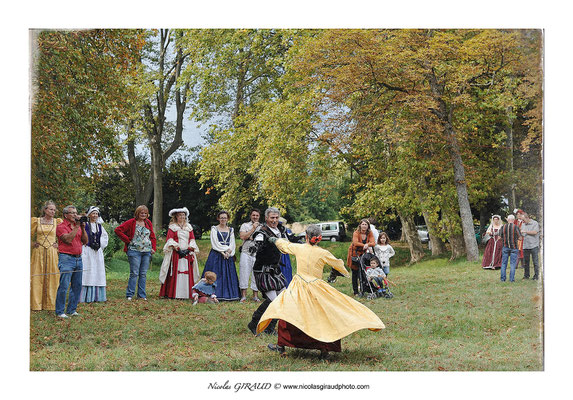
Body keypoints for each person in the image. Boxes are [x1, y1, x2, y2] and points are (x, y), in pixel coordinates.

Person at [259, 224, 385, 358]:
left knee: (288, 312)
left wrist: (273, 240)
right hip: (316, 286)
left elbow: (285, 245)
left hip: (299, 285)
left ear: (306, 237)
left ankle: (281, 345)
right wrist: (337, 272)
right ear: (319, 238)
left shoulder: (299, 248)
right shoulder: (323, 252)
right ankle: (324, 349)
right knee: (322, 315)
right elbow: (339, 265)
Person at [246, 207, 293, 335]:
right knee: (274, 301)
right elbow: (256, 246)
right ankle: (255, 323)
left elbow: (288, 243)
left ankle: (269, 328)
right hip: (263, 271)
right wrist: (257, 246)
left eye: (276, 218)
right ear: (266, 218)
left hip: (275, 270)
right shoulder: (262, 232)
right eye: (272, 218)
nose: (274, 220)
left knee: (283, 299)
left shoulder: (280, 230)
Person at [115, 205, 157, 301]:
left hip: (146, 251)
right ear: (137, 213)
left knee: (143, 273)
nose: (143, 214)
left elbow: (152, 236)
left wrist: (153, 248)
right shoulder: (131, 222)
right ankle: (130, 294)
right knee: (134, 273)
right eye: (141, 213)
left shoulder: (148, 223)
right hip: (134, 251)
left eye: (145, 213)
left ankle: (141, 295)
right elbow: (118, 230)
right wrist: (127, 240)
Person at [159, 207, 200, 299]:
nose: (182, 217)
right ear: (176, 217)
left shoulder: (189, 227)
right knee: (174, 272)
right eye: (180, 215)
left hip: (187, 253)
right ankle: (172, 293)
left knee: (187, 272)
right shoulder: (172, 227)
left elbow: (192, 239)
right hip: (175, 253)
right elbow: (170, 239)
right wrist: (178, 249)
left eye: (183, 215)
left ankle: (186, 294)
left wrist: (188, 249)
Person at [55, 205, 88, 318]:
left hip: (78, 258)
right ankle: (60, 311)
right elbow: (68, 239)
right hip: (66, 258)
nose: (75, 215)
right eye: (72, 213)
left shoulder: (77, 226)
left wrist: (82, 228)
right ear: (65, 215)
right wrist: (77, 226)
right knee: (64, 285)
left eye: (76, 212)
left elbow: (85, 241)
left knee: (77, 285)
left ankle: (72, 310)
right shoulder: (61, 226)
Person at [31, 201, 63, 311]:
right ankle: (36, 304)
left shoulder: (57, 222)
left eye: (54, 210)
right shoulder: (36, 221)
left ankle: (51, 303)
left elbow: (63, 235)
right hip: (38, 251)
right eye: (50, 209)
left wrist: (58, 244)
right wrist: (32, 243)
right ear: (45, 210)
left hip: (52, 252)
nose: (53, 212)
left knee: (53, 275)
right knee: (37, 275)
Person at [202, 211, 240, 301]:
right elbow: (215, 243)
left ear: (228, 219)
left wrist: (229, 252)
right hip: (216, 254)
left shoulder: (231, 230)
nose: (223, 219)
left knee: (228, 275)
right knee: (216, 273)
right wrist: (224, 251)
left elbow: (232, 243)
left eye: (225, 218)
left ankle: (229, 295)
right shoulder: (214, 229)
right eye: (221, 218)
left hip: (227, 255)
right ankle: (213, 294)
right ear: (218, 218)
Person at [79, 206, 108, 303]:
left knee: (97, 270)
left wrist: (100, 245)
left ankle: (97, 296)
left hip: (97, 252)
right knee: (87, 271)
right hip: (87, 251)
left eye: (96, 213)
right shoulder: (85, 225)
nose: (95, 215)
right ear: (89, 214)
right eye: (93, 213)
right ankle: (85, 296)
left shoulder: (100, 226)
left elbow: (104, 237)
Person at [346, 219, 376, 296]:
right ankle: (355, 291)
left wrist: (368, 245)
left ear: (368, 226)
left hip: (363, 253)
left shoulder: (369, 233)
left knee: (363, 271)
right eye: (363, 224)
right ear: (360, 225)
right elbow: (355, 243)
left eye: (366, 224)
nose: (364, 226)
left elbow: (373, 242)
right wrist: (365, 245)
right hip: (354, 253)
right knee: (355, 272)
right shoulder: (356, 233)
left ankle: (365, 288)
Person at [238, 209, 261, 303]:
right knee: (244, 272)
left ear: (259, 216)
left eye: (257, 215)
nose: (255, 217)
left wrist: (250, 236)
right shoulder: (245, 225)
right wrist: (253, 229)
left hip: (258, 253)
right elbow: (243, 236)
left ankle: (255, 296)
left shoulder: (262, 227)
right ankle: (243, 296)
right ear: (250, 216)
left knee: (256, 274)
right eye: (253, 215)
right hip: (246, 252)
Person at [499, 214, 522, 283]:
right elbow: (520, 238)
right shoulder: (515, 227)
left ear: (508, 220)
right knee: (512, 264)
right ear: (514, 220)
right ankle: (511, 279)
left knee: (503, 263)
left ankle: (503, 279)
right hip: (514, 247)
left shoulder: (503, 227)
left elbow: (499, 237)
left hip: (505, 247)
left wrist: (504, 240)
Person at [520, 212, 540, 280]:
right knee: (526, 262)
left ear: (527, 218)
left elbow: (535, 232)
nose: (522, 221)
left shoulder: (535, 223)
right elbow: (522, 234)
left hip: (534, 245)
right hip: (526, 245)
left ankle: (536, 276)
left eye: (523, 220)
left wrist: (525, 232)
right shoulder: (523, 224)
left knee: (535, 262)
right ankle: (526, 276)